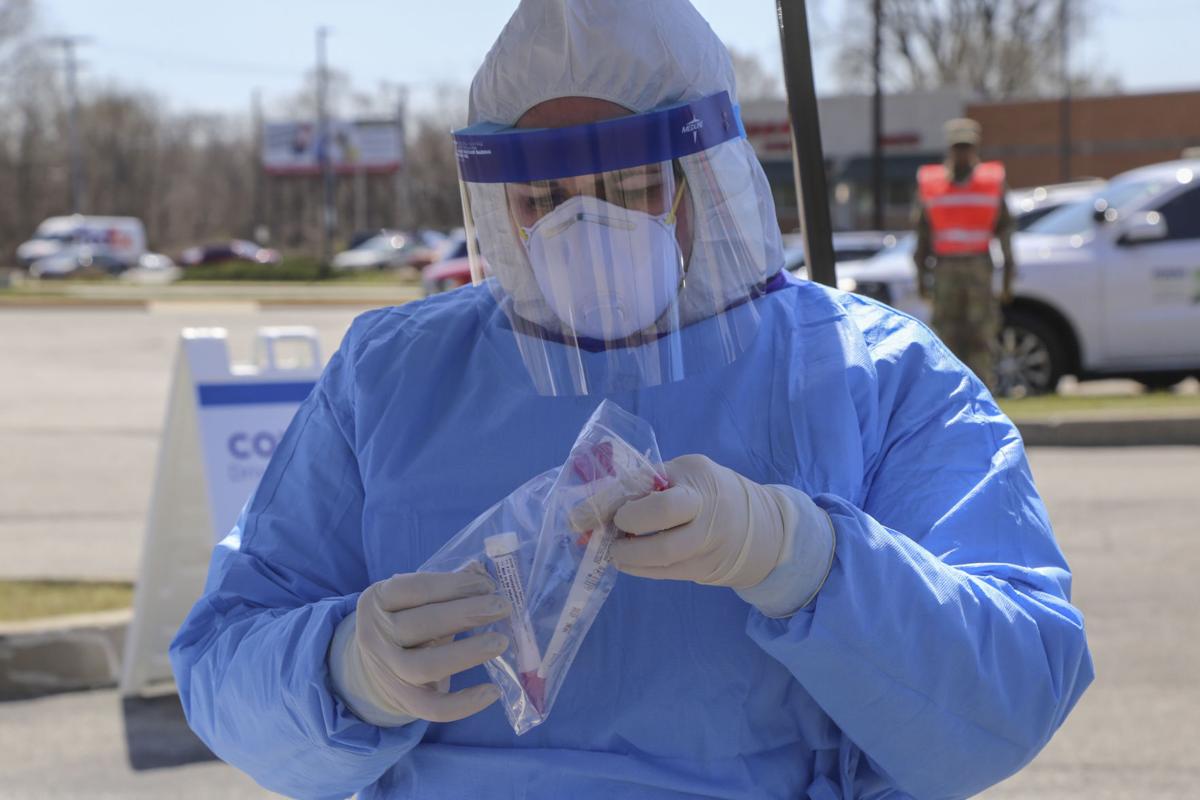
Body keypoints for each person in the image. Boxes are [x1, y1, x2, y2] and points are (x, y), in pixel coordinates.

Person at [170, 2, 1092, 798]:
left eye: (632, 182)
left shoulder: (873, 374)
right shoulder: (392, 376)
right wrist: (344, 670)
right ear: (498, 205)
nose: (585, 222)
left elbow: (1009, 696)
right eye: (542, 195)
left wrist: (803, 556)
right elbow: (224, 658)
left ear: (709, 176)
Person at [913, 118, 1016, 391]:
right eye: (957, 147)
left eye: (967, 146)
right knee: (946, 336)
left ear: (975, 147)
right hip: (945, 269)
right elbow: (922, 233)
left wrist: (1008, 274)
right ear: (949, 148)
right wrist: (921, 276)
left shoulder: (990, 182)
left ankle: (983, 392)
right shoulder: (931, 183)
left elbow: (1005, 228)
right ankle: (952, 395)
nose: (962, 153)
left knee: (981, 335)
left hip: (978, 267)